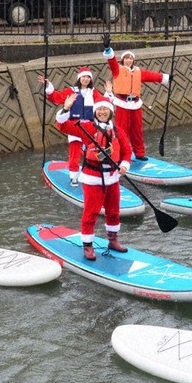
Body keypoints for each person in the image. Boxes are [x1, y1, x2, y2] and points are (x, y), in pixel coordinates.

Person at [55, 88, 133, 261]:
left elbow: (127, 151)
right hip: (92, 179)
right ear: (95, 111)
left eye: (105, 109)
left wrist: (124, 165)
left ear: (110, 112)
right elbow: (62, 126)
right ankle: (88, 246)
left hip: (112, 179)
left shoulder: (117, 131)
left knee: (113, 212)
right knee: (91, 213)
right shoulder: (87, 128)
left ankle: (113, 241)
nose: (102, 112)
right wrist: (66, 109)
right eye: (99, 109)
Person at [102, 34, 171, 161]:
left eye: (130, 58)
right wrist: (108, 49)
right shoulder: (118, 70)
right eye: (126, 58)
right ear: (123, 60)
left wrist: (165, 78)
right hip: (122, 103)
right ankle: (119, 154)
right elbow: (111, 61)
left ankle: (139, 153)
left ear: (133, 60)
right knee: (121, 130)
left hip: (135, 104)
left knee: (137, 130)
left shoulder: (138, 72)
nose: (128, 60)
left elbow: (152, 76)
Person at [38, 67, 101, 185]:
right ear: (79, 78)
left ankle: (95, 173)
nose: (86, 79)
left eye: (88, 77)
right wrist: (48, 87)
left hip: (91, 127)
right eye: (84, 77)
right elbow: (56, 97)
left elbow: (103, 102)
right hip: (75, 126)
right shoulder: (71, 91)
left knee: (93, 151)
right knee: (75, 153)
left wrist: (109, 94)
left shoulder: (94, 92)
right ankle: (74, 177)